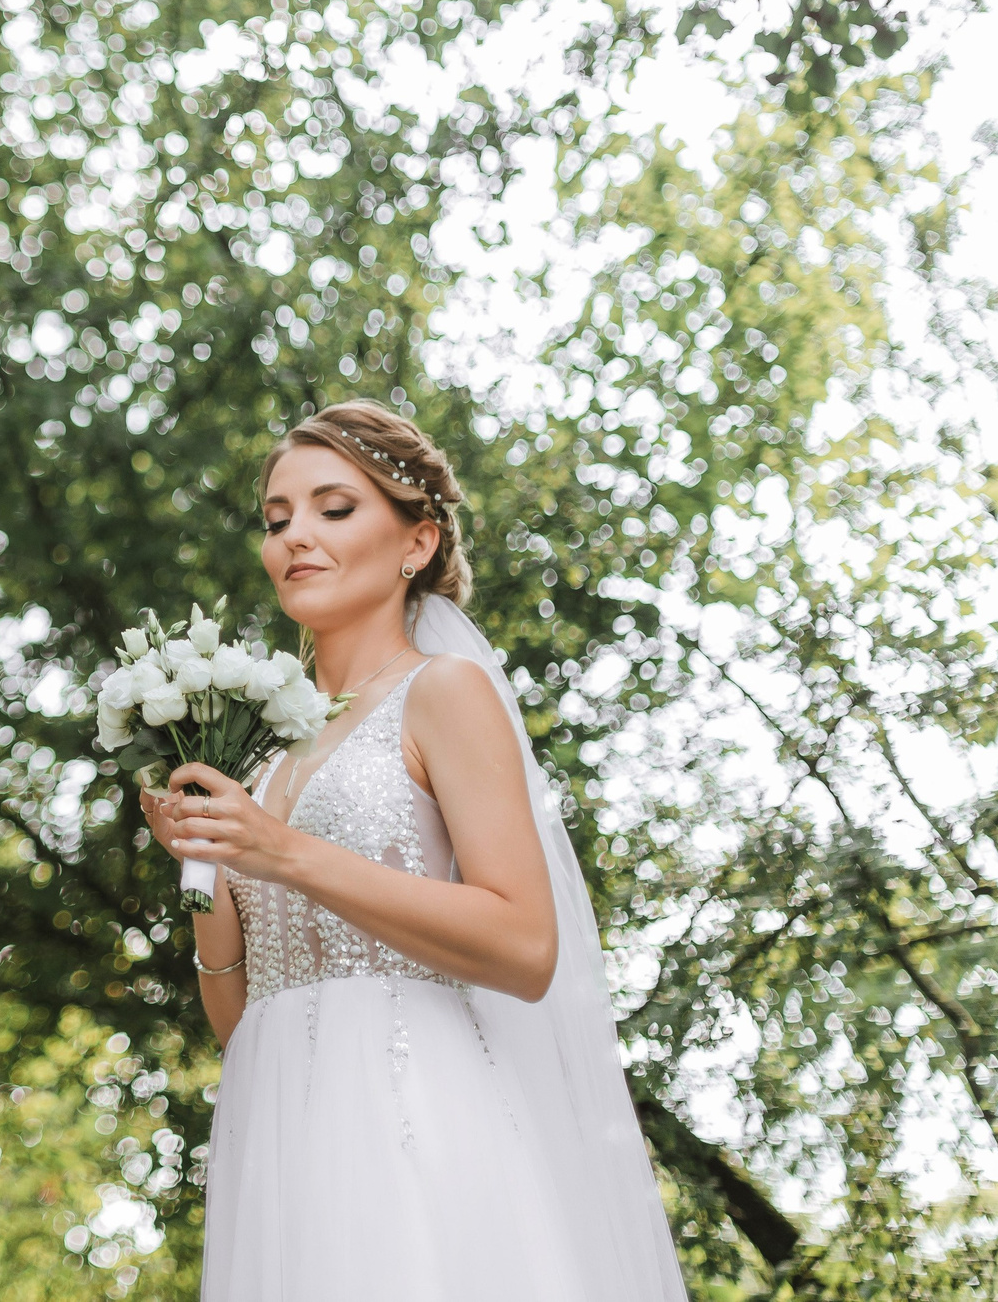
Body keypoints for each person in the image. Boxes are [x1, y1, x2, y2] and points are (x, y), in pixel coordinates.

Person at [140, 401, 685, 1301]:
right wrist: (204, 871)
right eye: (278, 520)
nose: (294, 539)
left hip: (419, 1120)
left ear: (417, 541)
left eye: (333, 509)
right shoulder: (263, 753)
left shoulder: (444, 693)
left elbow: (524, 946)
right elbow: (243, 1016)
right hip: (280, 1131)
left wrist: (280, 851)